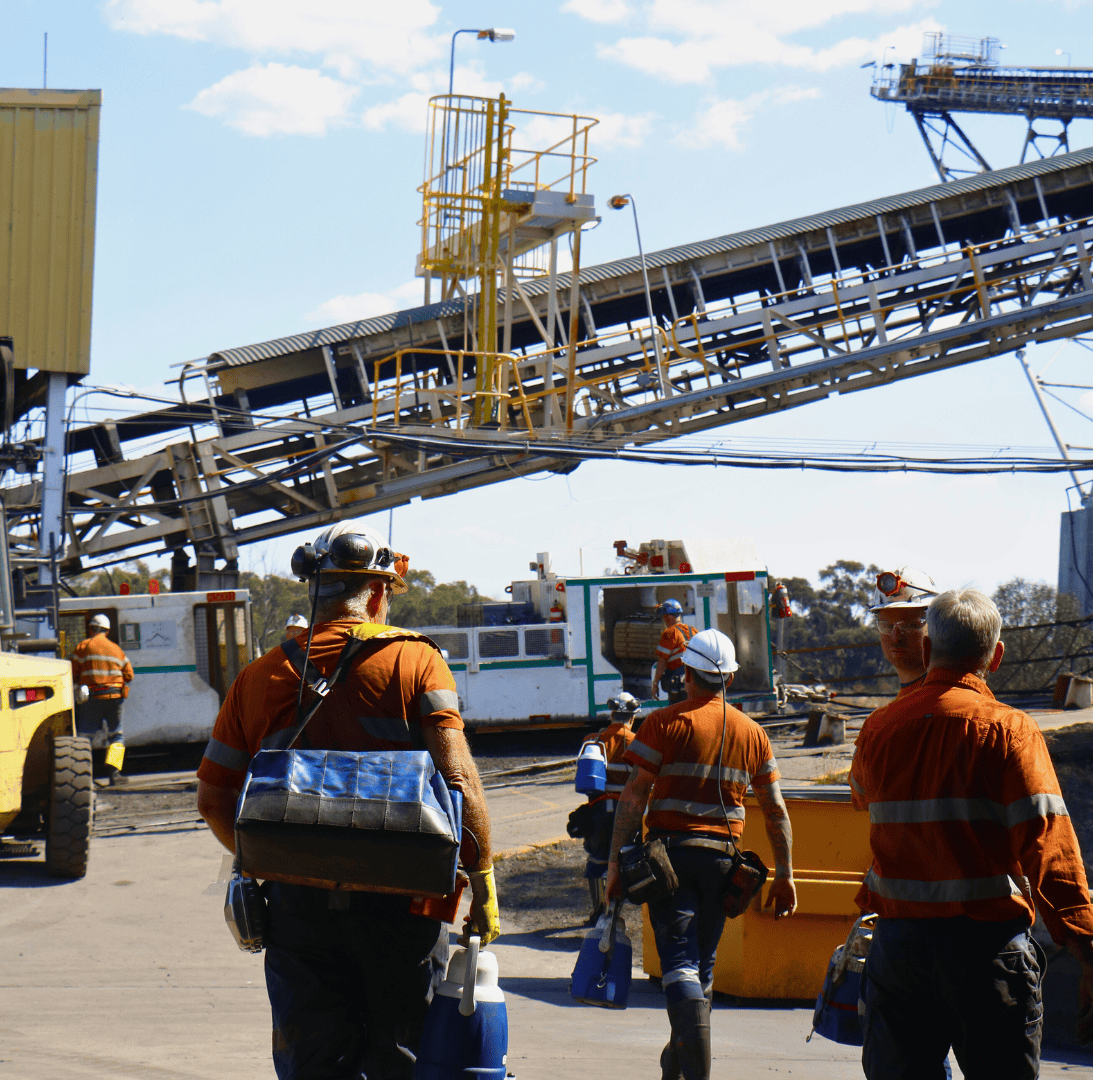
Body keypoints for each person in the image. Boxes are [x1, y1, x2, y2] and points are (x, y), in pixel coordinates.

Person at [196, 521, 498, 1080]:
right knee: (400, 1059)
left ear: (312, 591)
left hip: (297, 913)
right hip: (401, 910)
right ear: (378, 592)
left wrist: (269, 857)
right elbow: (461, 782)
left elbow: (214, 800)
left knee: (311, 1066)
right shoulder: (416, 662)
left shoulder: (257, 677)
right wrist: (480, 880)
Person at [850, 587, 1093, 1079]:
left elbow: (862, 796)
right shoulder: (1011, 731)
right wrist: (1085, 947)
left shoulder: (878, 729)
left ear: (924, 650)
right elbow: (1048, 849)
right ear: (996, 656)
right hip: (987, 956)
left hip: (899, 953)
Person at [606, 629, 797, 1080]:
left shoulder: (664, 722)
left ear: (686, 674)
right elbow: (775, 811)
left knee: (678, 965)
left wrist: (615, 863)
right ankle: (678, 1062)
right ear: (728, 678)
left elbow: (633, 798)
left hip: (669, 860)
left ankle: (693, 1071)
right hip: (723, 863)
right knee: (701, 968)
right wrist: (786, 874)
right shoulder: (754, 734)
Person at [580, 691, 641, 921]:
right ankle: (613, 910)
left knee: (596, 858)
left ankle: (598, 911)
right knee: (621, 860)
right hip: (622, 812)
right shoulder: (636, 743)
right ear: (632, 717)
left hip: (596, 811)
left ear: (612, 715)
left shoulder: (592, 740)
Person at [72, 613, 134, 785]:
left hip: (91, 698)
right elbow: (129, 674)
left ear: (92, 629)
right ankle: (115, 775)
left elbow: (73, 671)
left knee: (85, 738)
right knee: (116, 736)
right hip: (114, 698)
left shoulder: (83, 646)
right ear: (106, 631)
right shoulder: (116, 649)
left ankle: (83, 778)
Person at [869, 565, 939, 695]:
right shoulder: (895, 709)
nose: (896, 637)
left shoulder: (943, 697)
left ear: (935, 624)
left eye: (910, 626)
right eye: (887, 626)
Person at [652, 599, 696, 704]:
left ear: (669, 617)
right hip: (695, 682)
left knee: (677, 715)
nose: (664, 620)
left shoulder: (669, 633)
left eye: (664, 617)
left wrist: (655, 683)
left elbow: (662, 661)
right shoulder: (693, 630)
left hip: (679, 685)